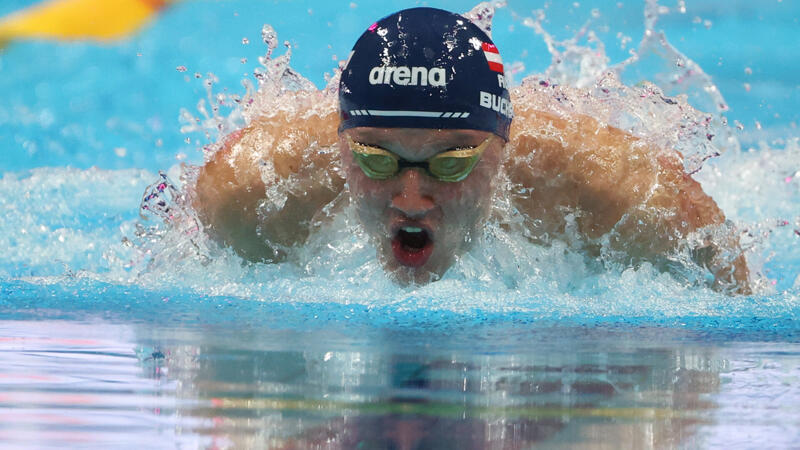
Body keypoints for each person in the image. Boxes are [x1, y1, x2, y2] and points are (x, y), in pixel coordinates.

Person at [191, 7, 750, 293]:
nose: (411, 198)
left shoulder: (616, 194)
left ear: (500, 148)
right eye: (376, 160)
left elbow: (728, 306)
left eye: (451, 163)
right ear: (341, 146)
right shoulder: (251, 192)